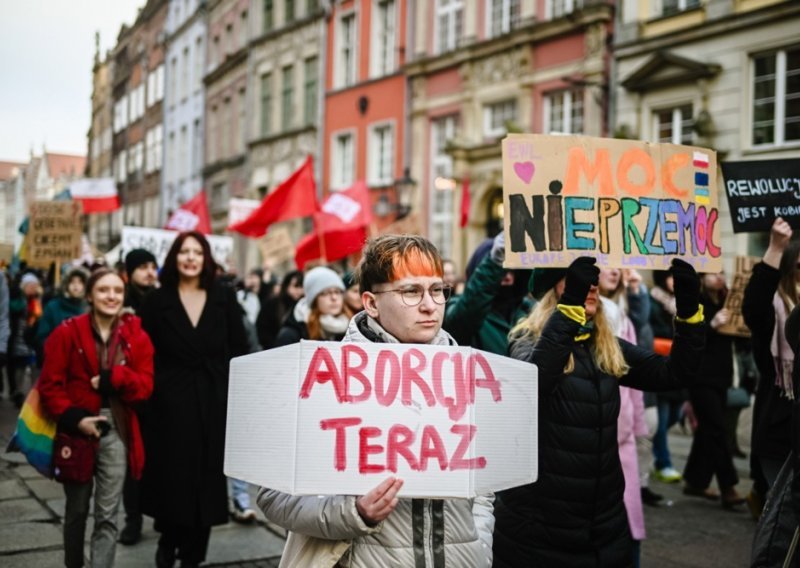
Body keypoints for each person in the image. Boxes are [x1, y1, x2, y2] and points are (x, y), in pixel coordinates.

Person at [257, 234, 494, 567]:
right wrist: (353, 513)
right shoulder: (326, 379)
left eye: (437, 289)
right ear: (370, 303)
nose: (429, 305)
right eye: (411, 291)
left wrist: (479, 546)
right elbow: (274, 494)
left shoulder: (467, 374)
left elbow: (483, 487)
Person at [493, 256, 704, 567]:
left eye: (593, 281)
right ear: (555, 291)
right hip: (540, 530)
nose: (591, 286)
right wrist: (570, 308)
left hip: (603, 527)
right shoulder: (526, 340)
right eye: (578, 280)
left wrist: (688, 311)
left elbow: (674, 374)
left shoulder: (604, 346)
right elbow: (535, 382)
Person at [139, 231, 248, 568]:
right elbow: (145, 354)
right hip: (169, 403)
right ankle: (168, 538)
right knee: (173, 477)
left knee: (208, 478)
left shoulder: (224, 297)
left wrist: (237, 392)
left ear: (205, 258)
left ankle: (194, 556)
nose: (190, 258)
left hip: (214, 401)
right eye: (184, 252)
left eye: (196, 252)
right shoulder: (157, 301)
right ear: (174, 258)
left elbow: (239, 347)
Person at [37, 268, 154, 568]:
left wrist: (114, 377)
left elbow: (145, 385)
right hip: (77, 430)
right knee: (76, 511)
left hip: (117, 428)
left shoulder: (135, 335)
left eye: (117, 290)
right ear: (89, 295)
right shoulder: (67, 331)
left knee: (107, 515)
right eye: (103, 290)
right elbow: (50, 386)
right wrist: (76, 419)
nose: (111, 296)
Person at [743, 217, 798, 503]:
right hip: (780, 426)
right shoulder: (774, 309)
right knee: (783, 507)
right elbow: (753, 307)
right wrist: (776, 248)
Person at [682, 270, 747, 508]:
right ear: (701, 278)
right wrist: (711, 325)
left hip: (722, 377)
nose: (718, 277)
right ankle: (728, 486)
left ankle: (695, 481)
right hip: (700, 378)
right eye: (712, 273)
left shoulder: (729, 302)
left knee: (708, 430)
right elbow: (688, 339)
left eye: (721, 273)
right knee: (718, 429)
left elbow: (741, 340)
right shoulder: (695, 303)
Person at [598, 267, 647, 566]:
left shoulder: (622, 316)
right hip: (594, 435)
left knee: (629, 523)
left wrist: (637, 426)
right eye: (606, 262)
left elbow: (635, 381)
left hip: (622, 436)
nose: (614, 269)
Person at [117, 248, 159, 546]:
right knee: (132, 462)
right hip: (130, 395)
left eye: (152, 266)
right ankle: (132, 520)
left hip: (159, 392)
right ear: (129, 272)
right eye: (142, 266)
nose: (149, 272)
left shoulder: (161, 299)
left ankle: (157, 510)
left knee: (158, 460)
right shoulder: (120, 301)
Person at [443, 233, 532, 355]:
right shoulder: (460, 307)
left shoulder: (529, 311)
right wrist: (494, 263)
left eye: (513, 270)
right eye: (500, 271)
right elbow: (461, 319)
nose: (507, 277)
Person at [648, 268, 687, 483]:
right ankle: (663, 463)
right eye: (671, 276)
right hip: (659, 365)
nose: (674, 280)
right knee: (662, 420)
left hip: (677, 367)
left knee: (675, 415)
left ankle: (654, 452)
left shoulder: (681, 303)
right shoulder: (652, 300)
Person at [274, 266, 348, 346]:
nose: (334, 298)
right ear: (313, 299)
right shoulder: (291, 335)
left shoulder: (351, 327)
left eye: (337, 292)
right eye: (326, 293)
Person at [7, 272, 43, 408]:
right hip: (19, 337)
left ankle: (33, 395)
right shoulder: (19, 298)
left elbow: (39, 316)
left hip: (32, 339)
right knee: (20, 366)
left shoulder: (36, 300)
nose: (33, 288)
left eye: (35, 286)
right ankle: (18, 392)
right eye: (30, 285)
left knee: (33, 366)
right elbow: (14, 308)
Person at [35, 267, 88, 356]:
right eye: (72, 282)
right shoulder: (53, 307)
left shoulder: (89, 308)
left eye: (80, 282)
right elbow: (43, 337)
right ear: (66, 284)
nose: (76, 285)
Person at [256, 270, 303, 349]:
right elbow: (262, 329)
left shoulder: (304, 306)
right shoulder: (272, 304)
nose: (299, 290)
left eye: (301, 286)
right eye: (295, 286)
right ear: (286, 286)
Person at [124, 248, 159, 313]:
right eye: (143, 267)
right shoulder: (120, 302)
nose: (150, 273)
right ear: (130, 272)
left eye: (154, 268)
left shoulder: (164, 301)